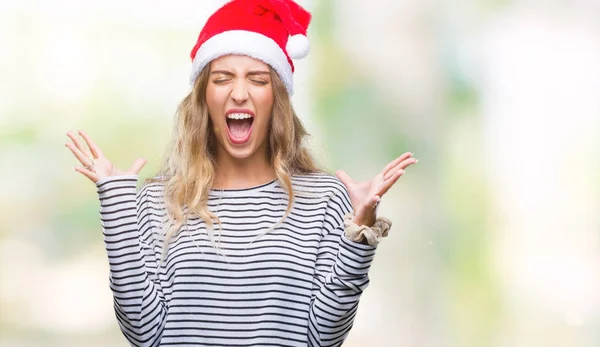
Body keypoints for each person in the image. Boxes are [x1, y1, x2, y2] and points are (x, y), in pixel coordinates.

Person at [65, 0, 417, 346]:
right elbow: (143, 332)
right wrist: (117, 206)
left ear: (276, 98)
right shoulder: (156, 200)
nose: (239, 93)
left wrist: (360, 233)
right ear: (204, 97)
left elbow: (323, 338)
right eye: (222, 78)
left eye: (257, 79)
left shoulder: (324, 199)